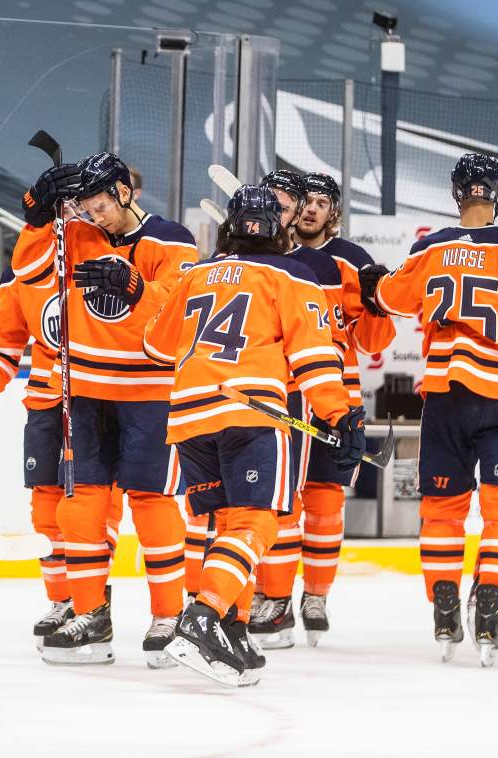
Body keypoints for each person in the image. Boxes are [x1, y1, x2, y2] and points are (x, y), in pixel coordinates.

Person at [143, 185, 364, 686]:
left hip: (189, 418)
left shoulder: (195, 274)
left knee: (225, 528)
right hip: (251, 413)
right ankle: (203, 616)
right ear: (279, 229)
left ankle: (232, 628)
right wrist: (340, 414)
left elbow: (156, 346)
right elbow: (312, 357)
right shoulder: (292, 273)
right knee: (258, 525)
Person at [359, 153, 498, 666]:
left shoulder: (430, 248)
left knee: (441, 512)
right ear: (497, 194)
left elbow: (390, 296)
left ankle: (443, 607)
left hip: (446, 398)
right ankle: (490, 609)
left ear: (457, 193)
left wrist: (374, 281)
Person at [13, 151, 198, 666]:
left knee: (153, 501)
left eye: (101, 206)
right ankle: (92, 614)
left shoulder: (171, 238)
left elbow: (183, 302)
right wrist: (36, 214)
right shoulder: (74, 235)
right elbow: (26, 269)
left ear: (124, 192)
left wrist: (135, 285)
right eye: (86, 208)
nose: (95, 217)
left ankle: (169, 615)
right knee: (82, 505)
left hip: (151, 393)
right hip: (87, 391)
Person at [248, 172, 395, 648]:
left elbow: (373, 344)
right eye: (302, 200)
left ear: (334, 211)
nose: (310, 208)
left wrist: (376, 304)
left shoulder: (351, 261)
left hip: (334, 395)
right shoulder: (270, 259)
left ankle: (316, 595)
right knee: (282, 503)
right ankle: (275, 600)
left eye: (320, 201)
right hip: (282, 395)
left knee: (326, 505)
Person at [0, 215, 123, 651]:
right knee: (46, 512)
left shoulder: (107, 257)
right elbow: (3, 344)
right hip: (44, 402)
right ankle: (62, 600)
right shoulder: (22, 272)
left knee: (93, 512)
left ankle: (91, 600)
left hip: (98, 401)